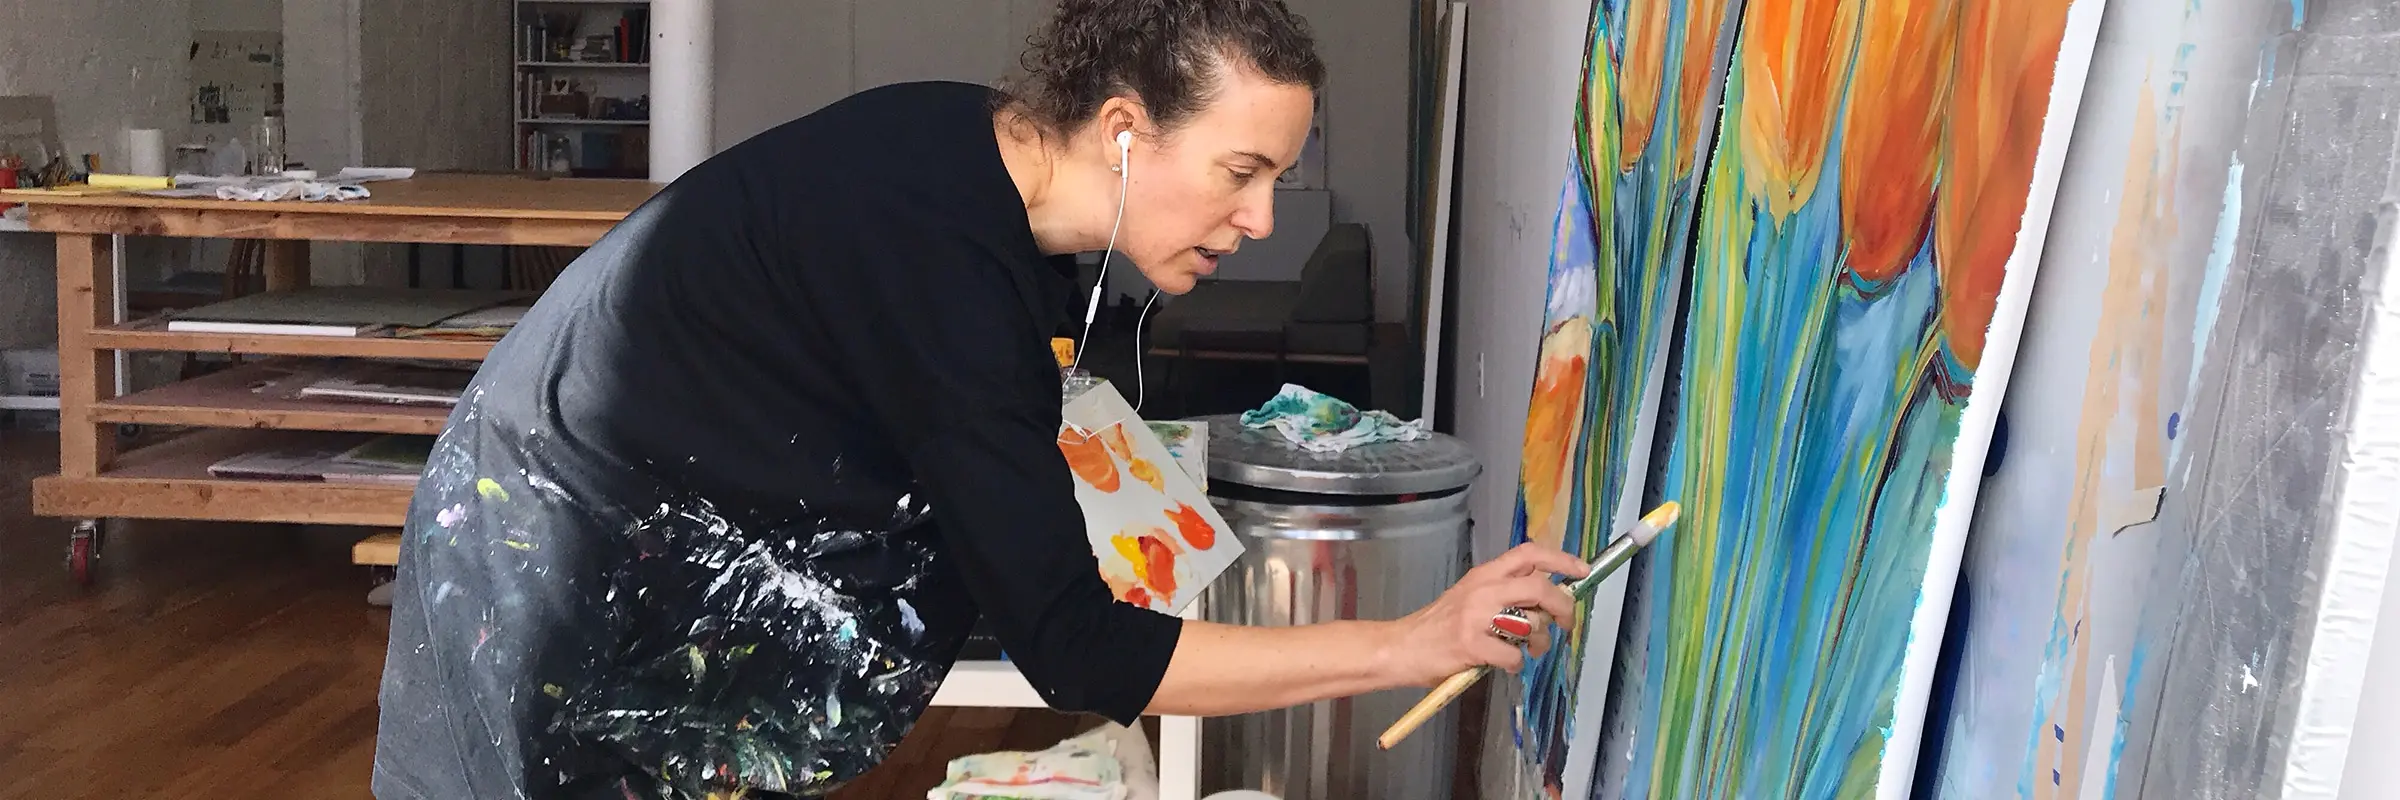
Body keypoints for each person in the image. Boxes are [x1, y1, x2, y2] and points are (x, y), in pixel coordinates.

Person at [370, 1, 1589, 797]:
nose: (1263, 215)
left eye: (1279, 175)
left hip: (628, 510)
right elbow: (1075, 644)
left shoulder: (990, 167)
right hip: (543, 559)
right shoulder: (947, 265)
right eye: (1241, 171)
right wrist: (1414, 639)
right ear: (1122, 132)